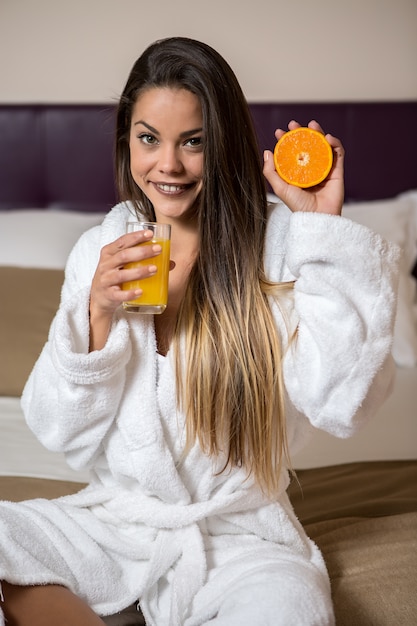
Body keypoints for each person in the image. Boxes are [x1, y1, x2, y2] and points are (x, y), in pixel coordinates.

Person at [0, 37, 399, 626]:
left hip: (245, 537)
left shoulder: (282, 247)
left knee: (292, 612)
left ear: (225, 144)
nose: (168, 165)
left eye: (194, 141)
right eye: (148, 138)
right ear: (126, 142)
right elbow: (61, 433)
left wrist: (323, 232)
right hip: (122, 526)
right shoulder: (101, 251)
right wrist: (98, 316)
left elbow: (343, 403)